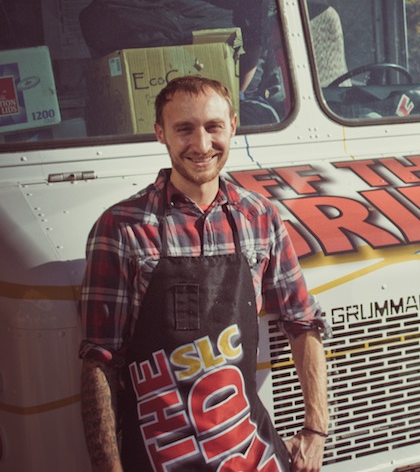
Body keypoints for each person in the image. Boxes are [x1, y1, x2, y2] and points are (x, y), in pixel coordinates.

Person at [78, 76, 328, 472]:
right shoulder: (121, 228)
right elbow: (100, 362)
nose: (201, 144)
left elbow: (303, 322)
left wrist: (316, 429)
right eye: (184, 129)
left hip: (250, 451)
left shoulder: (259, 217)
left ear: (232, 125)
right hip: (162, 455)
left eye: (213, 127)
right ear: (160, 133)